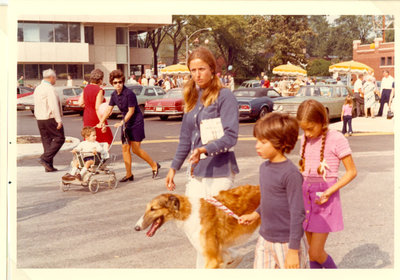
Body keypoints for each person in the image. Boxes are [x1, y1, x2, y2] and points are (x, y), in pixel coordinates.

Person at [165, 47, 239, 268]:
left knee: (211, 227)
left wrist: (204, 149)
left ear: (212, 69)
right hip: (197, 172)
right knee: (190, 222)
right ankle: (227, 256)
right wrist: (173, 168)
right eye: (193, 70)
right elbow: (185, 139)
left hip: (220, 170)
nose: (197, 74)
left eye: (202, 69)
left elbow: (231, 136)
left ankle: (214, 263)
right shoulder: (191, 97)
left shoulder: (224, 96)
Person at [239, 113, 309, 269]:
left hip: (287, 242)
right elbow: (268, 200)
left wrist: (293, 250)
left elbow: (298, 213)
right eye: (257, 140)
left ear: (281, 143)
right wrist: (255, 214)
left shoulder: (291, 174)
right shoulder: (264, 168)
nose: (257, 146)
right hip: (265, 238)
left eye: (263, 142)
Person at [297, 99, 357, 269]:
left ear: (322, 122)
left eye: (310, 128)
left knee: (316, 252)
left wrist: (330, 191)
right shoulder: (305, 139)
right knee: (310, 253)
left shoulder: (336, 139)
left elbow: (352, 171)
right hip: (306, 197)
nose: (307, 134)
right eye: (304, 129)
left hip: (324, 199)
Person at [98, 69, 160, 182]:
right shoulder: (113, 95)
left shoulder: (129, 94)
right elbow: (109, 109)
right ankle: (129, 174)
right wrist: (101, 121)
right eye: (115, 82)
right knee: (125, 148)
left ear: (123, 82)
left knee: (136, 149)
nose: (118, 85)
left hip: (136, 122)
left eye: (120, 82)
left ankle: (154, 165)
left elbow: (131, 111)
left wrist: (122, 122)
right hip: (126, 122)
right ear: (112, 83)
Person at [34, 69, 65, 172]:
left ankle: (48, 165)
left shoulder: (38, 88)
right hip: (50, 117)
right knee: (60, 138)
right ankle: (45, 158)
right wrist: (58, 120)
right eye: (55, 77)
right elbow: (53, 105)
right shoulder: (50, 89)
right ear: (51, 77)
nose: (55, 80)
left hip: (40, 118)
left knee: (46, 140)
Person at [78, 69, 113, 145]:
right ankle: (102, 156)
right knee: (106, 138)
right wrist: (102, 122)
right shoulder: (99, 90)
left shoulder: (86, 88)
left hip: (87, 117)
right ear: (100, 80)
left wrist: (88, 105)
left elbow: (80, 103)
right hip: (96, 117)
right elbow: (97, 107)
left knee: (89, 138)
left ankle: (91, 155)